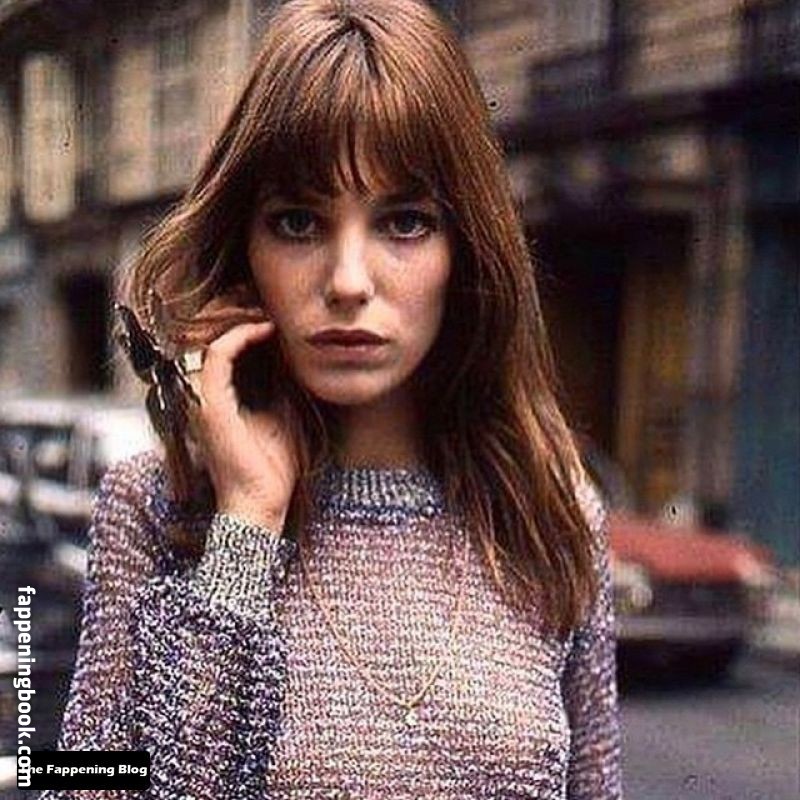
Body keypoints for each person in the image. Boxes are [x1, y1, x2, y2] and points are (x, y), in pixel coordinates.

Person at [41, 0, 622, 797]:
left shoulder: (550, 510)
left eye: (405, 222)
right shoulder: (153, 504)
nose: (349, 282)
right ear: (244, 247)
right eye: (298, 223)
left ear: (465, 250)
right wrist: (246, 524)